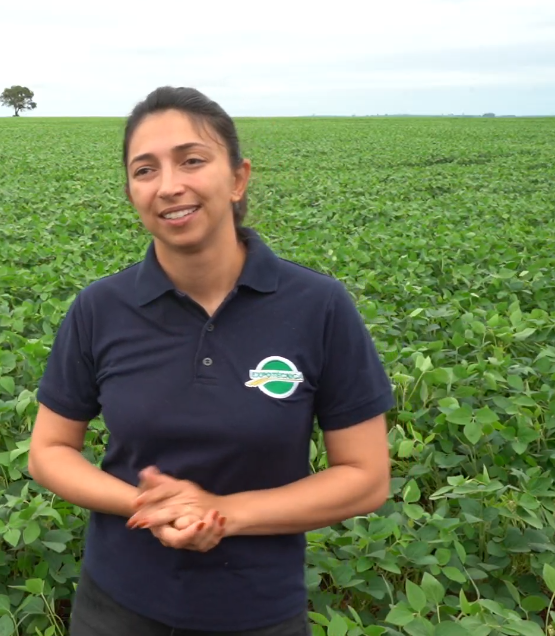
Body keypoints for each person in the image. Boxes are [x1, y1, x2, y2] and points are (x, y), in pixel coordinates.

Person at [28, 86, 395, 636]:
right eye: (144, 170)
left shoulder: (317, 306)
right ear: (131, 191)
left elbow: (365, 478)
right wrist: (148, 505)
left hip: (258, 613)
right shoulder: (101, 308)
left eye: (192, 160)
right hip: (116, 608)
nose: (169, 185)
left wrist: (221, 514)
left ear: (238, 177)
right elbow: (50, 450)